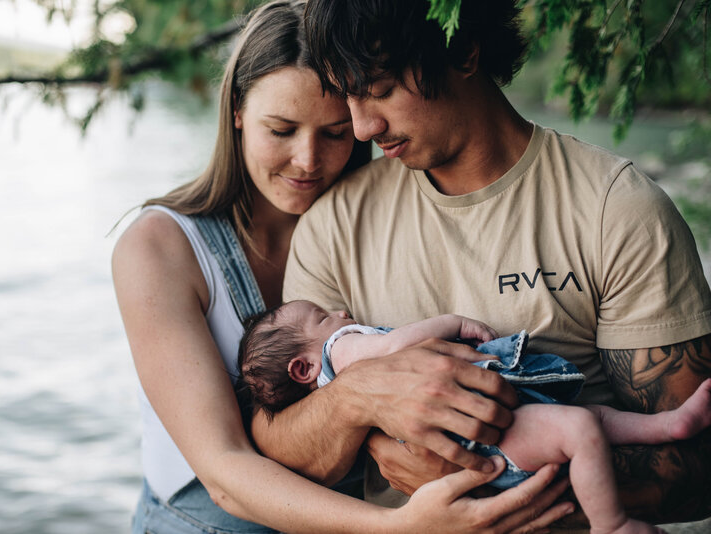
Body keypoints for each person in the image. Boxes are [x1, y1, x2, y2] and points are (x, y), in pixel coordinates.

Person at [246, 0, 711, 531]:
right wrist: (356, 398)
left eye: (378, 90)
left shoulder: (615, 210)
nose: (361, 126)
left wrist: (479, 472)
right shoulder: (335, 222)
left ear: (464, 51)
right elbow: (284, 447)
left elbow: (697, 465)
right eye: (349, 94)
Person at [112, 1, 576, 532]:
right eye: (282, 130)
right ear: (237, 111)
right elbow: (224, 470)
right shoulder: (160, 247)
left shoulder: (367, 221)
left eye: (334, 133)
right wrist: (399, 528)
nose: (308, 160)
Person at [240, 300, 711, 533]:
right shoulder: (337, 350)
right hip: (488, 435)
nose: (340, 311)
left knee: (589, 420)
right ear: (303, 367)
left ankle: (669, 425)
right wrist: (454, 325)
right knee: (584, 426)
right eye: (323, 316)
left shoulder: (323, 377)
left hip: (482, 428)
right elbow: (392, 346)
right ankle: (611, 525)